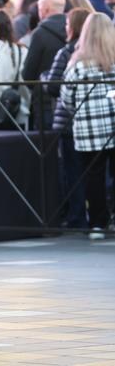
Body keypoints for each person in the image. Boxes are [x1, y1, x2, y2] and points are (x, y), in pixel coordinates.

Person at [61, 13, 115, 240]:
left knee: (93, 176)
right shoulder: (112, 63)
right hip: (112, 125)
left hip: (87, 130)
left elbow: (66, 99)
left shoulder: (77, 65)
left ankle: (98, 223)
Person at [41, 7, 91, 229]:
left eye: (69, 24)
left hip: (68, 120)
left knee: (73, 172)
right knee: (93, 171)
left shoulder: (67, 52)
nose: (65, 27)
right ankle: (97, 216)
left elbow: (53, 86)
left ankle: (77, 217)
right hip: (93, 122)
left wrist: (42, 78)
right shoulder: (103, 53)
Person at [22, 0, 67, 129]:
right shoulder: (76, 29)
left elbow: (28, 74)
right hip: (71, 102)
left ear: (45, 9)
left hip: (45, 103)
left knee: (46, 147)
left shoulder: (39, 34)